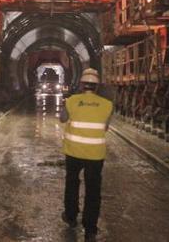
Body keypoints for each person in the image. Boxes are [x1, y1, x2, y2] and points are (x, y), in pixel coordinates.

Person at [59, 68, 113, 242]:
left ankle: (71, 216)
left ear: (81, 84)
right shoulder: (107, 104)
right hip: (95, 154)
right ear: (97, 86)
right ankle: (90, 229)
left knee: (72, 183)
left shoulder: (72, 101)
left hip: (74, 152)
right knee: (93, 191)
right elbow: (104, 127)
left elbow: (62, 119)